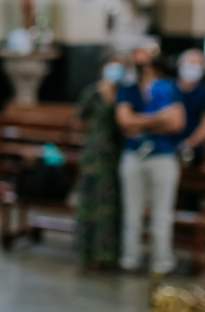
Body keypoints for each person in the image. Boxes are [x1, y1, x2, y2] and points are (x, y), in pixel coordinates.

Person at [115, 48, 185, 275]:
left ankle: (161, 261)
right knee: (132, 212)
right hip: (134, 156)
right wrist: (157, 120)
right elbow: (124, 121)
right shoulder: (127, 89)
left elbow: (175, 122)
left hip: (163, 156)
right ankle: (130, 259)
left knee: (161, 214)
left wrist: (140, 122)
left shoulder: (169, 87)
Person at [74, 56, 125, 271]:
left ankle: (109, 254)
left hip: (116, 153)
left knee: (111, 205)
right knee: (90, 202)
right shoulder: (92, 93)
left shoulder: (125, 93)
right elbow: (80, 119)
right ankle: (87, 252)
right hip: (95, 152)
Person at [173, 48, 205, 166]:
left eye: (198, 64)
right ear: (180, 65)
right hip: (165, 148)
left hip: (193, 151)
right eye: (190, 62)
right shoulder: (170, 88)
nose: (193, 67)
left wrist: (188, 144)